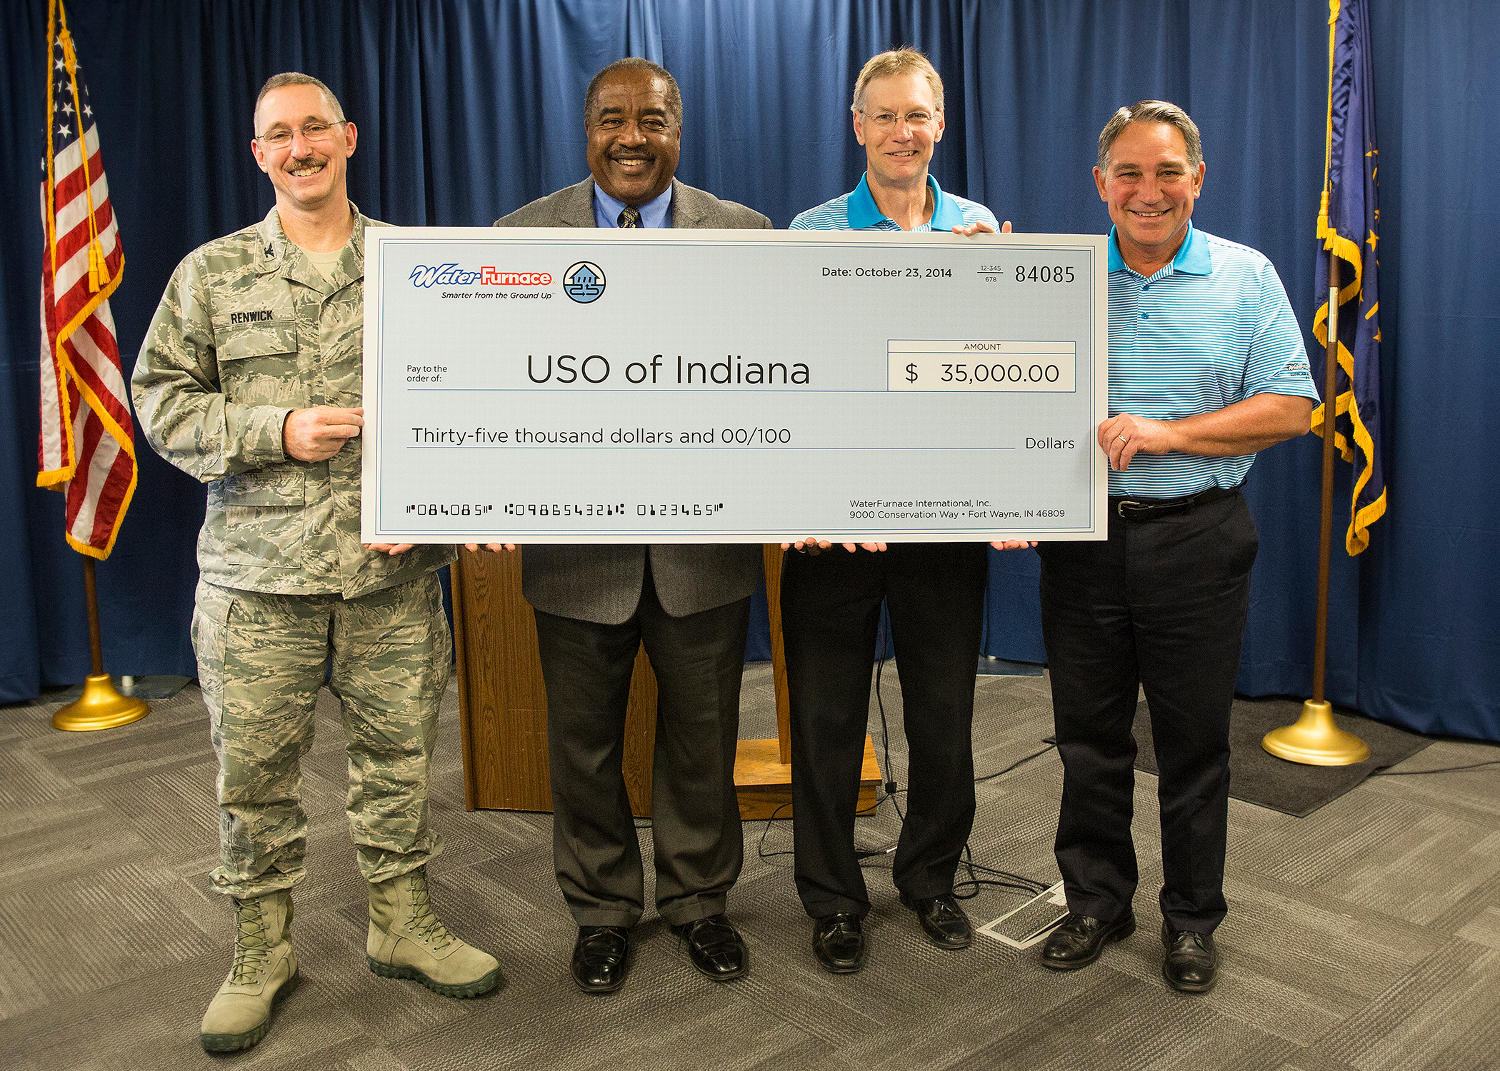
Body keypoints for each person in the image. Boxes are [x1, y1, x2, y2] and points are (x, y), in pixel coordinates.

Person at [132, 73, 499, 1054]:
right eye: (277, 135)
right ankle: (261, 952)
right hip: (259, 584)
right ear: (259, 155)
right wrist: (274, 427)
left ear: (349, 138)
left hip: (390, 578)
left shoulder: (419, 270)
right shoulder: (209, 276)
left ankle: (401, 922)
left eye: (314, 129)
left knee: (398, 762)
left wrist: (466, 506)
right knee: (252, 779)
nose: (299, 147)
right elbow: (159, 400)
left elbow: (476, 404)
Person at [487, 57, 770, 995]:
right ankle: (603, 909)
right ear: (587, 129)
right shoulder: (520, 239)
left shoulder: (748, 238)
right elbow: (485, 386)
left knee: (702, 739)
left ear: (678, 131)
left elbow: (783, 382)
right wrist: (472, 490)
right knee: (583, 748)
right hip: (577, 559)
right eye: (613, 118)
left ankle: (698, 901)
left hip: (704, 555)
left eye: (651, 119)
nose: (632, 137)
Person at [1036, 100, 1318, 993]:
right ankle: (1095, 902)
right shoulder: (1054, 276)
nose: (1147, 191)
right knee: (1088, 737)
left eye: (1167, 172)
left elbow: (1292, 408)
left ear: (1198, 178)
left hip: (1198, 536)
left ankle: (1192, 919)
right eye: (1129, 172)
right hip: (1083, 542)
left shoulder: (1246, 277)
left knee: (1194, 744)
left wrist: (1170, 434)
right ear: (1100, 185)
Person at [782, 48, 1020, 974]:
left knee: (944, 716)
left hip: (944, 526)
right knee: (827, 722)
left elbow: (1004, 377)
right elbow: (788, 376)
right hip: (833, 528)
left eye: (917, 115)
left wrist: (1006, 285)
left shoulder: (983, 234)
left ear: (940, 124)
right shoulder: (811, 231)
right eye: (883, 116)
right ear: (858, 128)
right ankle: (834, 898)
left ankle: (929, 878)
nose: (901, 132)